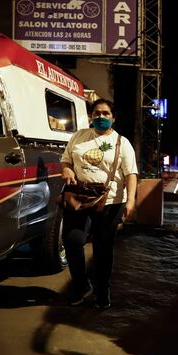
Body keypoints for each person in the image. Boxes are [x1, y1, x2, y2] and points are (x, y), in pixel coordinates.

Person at [60, 98, 138, 309]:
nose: (100, 117)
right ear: (91, 116)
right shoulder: (79, 136)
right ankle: (81, 286)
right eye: (97, 113)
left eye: (105, 113)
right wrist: (66, 169)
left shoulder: (122, 143)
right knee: (72, 241)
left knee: (103, 249)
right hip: (79, 197)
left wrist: (130, 201)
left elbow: (131, 174)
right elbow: (66, 159)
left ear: (113, 118)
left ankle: (103, 291)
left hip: (111, 201)